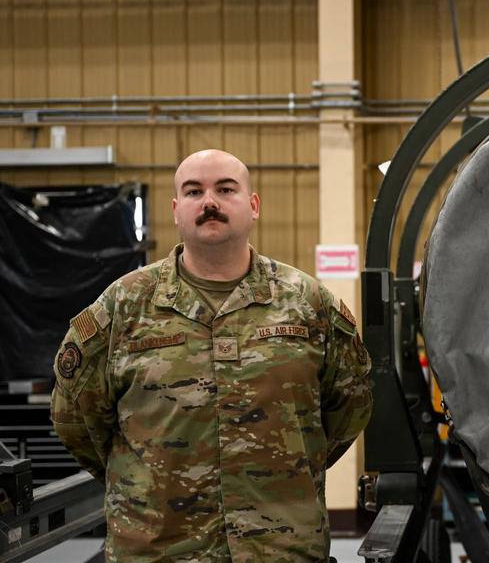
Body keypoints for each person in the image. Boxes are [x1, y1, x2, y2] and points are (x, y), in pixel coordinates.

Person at [50, 149, 373, 562]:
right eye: (193, 191)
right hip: (160, 550)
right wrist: (140, 479)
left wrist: (285, 466)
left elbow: (349, 407)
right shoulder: (124, 306)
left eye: (225, 189)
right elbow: (76, 418)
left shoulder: (308, 303)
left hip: (280, 549)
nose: (209, 202)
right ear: (175, 210)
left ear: (253, 205)